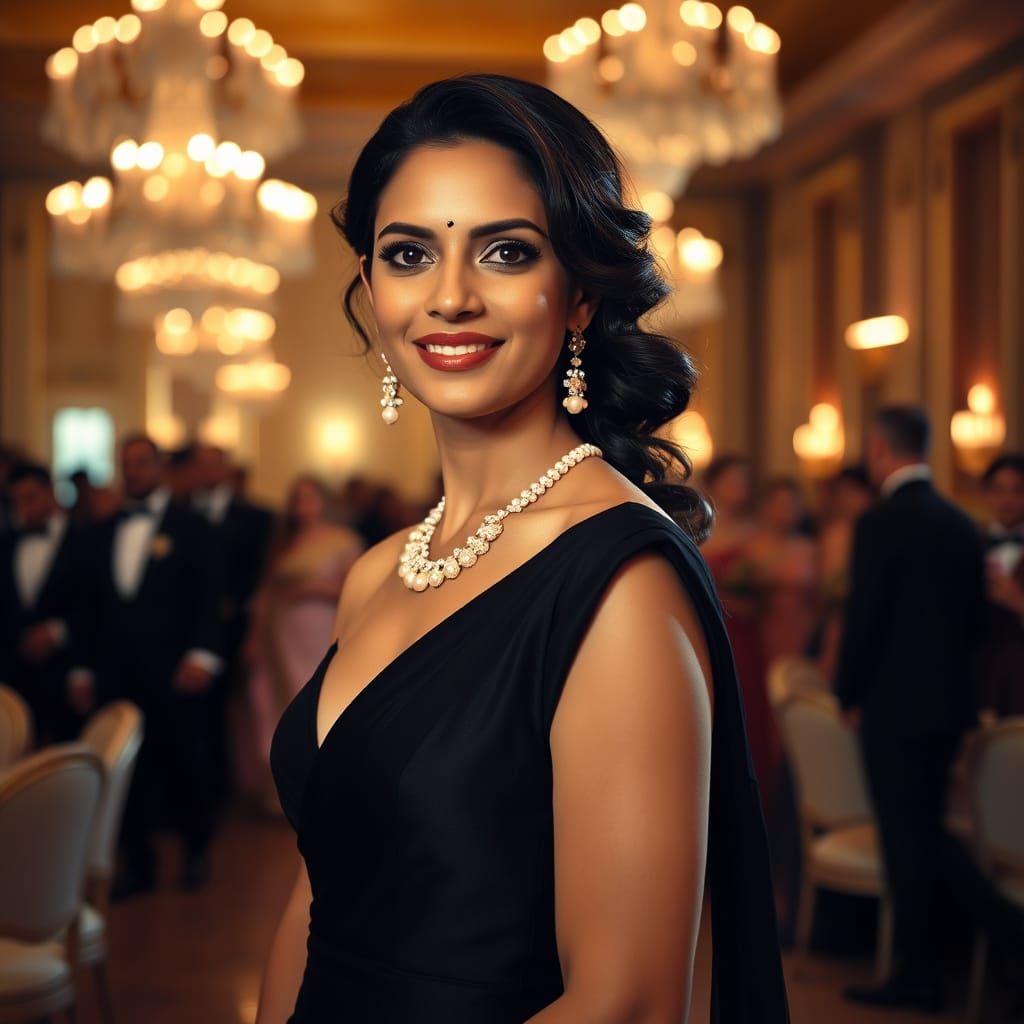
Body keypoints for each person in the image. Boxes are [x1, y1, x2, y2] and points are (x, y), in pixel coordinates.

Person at [258, 74, 789, 1024]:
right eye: (409, 252)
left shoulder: (619, 583)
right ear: (373, 289)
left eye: (505, 251)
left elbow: (623, 1004)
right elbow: (319, 895)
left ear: (580, 295)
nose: (450, 297)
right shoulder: (381, 570)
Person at [835, 405, 986, 1011]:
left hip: (893, 709)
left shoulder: (879, 523)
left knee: (907, 841)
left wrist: (848, 693)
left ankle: (919, 974)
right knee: (928, 832)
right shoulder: (959, 521)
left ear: (878, 450)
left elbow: (863, 618)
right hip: (950, 706)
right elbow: (975, 624)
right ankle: (958, 955)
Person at [74, 434, 227, 897]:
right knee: (126, 773)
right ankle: (137, 863)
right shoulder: (101, 530)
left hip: (174, 668)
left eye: (142, 463)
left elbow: (209, 598)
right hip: (117, 670)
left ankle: (196, 850)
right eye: (126, 464)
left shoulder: (192, 526)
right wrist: (82, 668)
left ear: (159, 466)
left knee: (184, 762)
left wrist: (202, 656)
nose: (134, 472)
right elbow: (89, 606)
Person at [239, 475, 362, 809]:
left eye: (310, 497)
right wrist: (254, 637)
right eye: (298, 498)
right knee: (276, 701)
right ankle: (283, 788)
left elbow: (358, 589)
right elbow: (265, 591)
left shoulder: (341, 540)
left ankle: (319, 787)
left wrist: (318, 589)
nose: (303, 505)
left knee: (311, 699)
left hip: (317, 628)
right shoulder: (285, 540)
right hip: (280, 631)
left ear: (323, 500)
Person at [191, 442, 276, 807]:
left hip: (235, 625)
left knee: (235, 706)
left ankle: (229, 786)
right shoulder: (182, 512)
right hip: (191, 627)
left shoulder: (255, 516)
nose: (209, 472)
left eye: (215, 464)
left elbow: (260, 572)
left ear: (226, 469)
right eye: (203, 465)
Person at [0, 461, 89, 743]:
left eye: (30, 498)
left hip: (67, 669)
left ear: (50, 493)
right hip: (15, 674)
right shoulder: (6, 544)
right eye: (16, 501)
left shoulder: (86, 540)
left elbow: (96, 607)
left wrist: (60, 631)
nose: (23, 509)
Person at [812, 466, 875, 680]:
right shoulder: (835, 533)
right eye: (841, 492)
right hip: (838, 623)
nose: (846, 499)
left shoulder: (875, 532)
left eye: (852, 492)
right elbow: (831, 595)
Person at [975, 453, 1024, 716]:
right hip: (979, 677)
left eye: (1017, 490)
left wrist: (1017, 602)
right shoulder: (969, 543)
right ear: (987, 494)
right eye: (999, 490)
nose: (1007, 500)